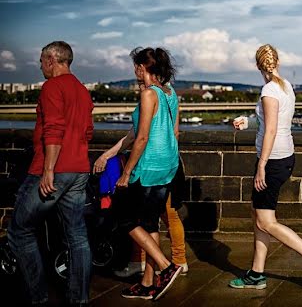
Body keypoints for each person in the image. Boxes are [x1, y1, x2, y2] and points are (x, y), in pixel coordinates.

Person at [229, 44, 302, 291]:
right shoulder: (284, 86)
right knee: (258, 214)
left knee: (266, 221)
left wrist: (261, 165)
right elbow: (269, 121)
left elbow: (271, 129)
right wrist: (249, 121)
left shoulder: (269, 90)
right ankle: (256, 273)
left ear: (257, 65)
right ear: (278, 63)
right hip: (283, 156)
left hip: (273, 160)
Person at [7, 41, 94, 306]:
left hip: (55, 168)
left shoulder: (52, 87)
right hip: (79, 169)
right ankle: (78, 299)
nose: (40, 65)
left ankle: (38, 297)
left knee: (19, 231)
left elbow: (53, 130)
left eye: (41, 60)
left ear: (52, 60)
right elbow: (87, 133)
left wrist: (48, 170)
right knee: (77, 236)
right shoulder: (82, 90)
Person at [100, 47, 183, 300]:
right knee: (149, 223)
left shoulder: (148, 94)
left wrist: (126, 172)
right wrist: (110, 153)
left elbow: (143, 137)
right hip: (167, 167)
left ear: (143, 68)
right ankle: (148, 283)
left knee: (121, 217)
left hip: (147, 168)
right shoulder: (171, 93)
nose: (134, 70)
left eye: (136, 66)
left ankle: (166, 266)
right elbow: (172, 133)